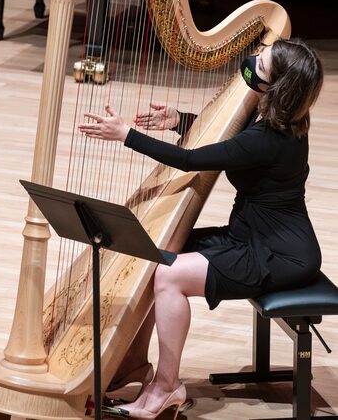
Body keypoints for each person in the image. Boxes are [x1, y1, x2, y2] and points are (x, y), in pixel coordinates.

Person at [77, 38, 323, 419]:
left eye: (262, 63)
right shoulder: (280, 120)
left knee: (169, 275)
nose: (253, 60)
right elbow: (231, 147)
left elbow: (192, 160)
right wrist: (181, 120)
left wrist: (126, 135)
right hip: (252, 235)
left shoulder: (269, 138)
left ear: (277, 89)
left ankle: (166, 386)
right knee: (152, 249)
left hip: (278, 255)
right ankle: (136, 363)